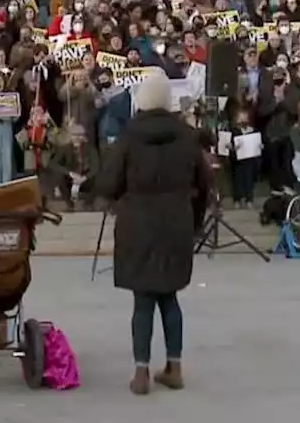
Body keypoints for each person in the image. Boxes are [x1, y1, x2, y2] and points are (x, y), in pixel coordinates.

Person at [99, 72, 212, 395]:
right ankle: (174, 367)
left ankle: (141, 373)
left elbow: (108, 182)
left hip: (138, 223)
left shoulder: (129, 137)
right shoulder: (187, 137)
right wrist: (195, 222)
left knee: (143, 299)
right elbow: (205, 184)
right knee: (170, 296)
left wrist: (118, 199)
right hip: (176, 221)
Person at [45, 123, 103, 211]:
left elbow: (96, 166)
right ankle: (69, 204)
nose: (77, 138)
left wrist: (84, 178)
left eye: (80, 135)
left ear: (83, 136)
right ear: (70, 136)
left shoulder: (91, 149)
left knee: (98, 178)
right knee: (58, 176)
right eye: (74, 135)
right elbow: (52, 163)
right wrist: (70, 173)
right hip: (70, 178)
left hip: (85, 178)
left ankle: (88, 204)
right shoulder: (64, 149)